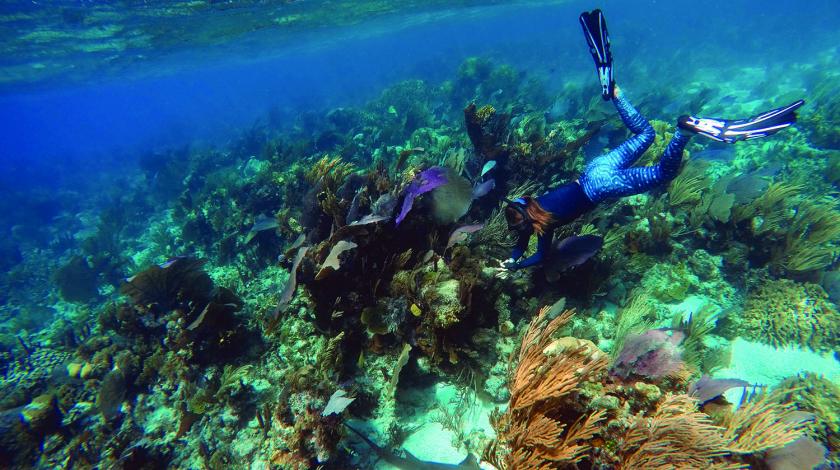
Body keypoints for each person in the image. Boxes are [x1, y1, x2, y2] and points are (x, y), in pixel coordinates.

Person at [497, 9, 804, 272]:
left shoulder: (544, 225)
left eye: (515, 224)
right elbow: (521, 238)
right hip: (593, 170)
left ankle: (685, 130)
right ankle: (614, 93)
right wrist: (511, 258)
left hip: (600, 188)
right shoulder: (533, 205)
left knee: (663, 173)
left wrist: (517, 265)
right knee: (646, 134)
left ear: (524, 220)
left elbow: (540, 254)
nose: (517, 230)